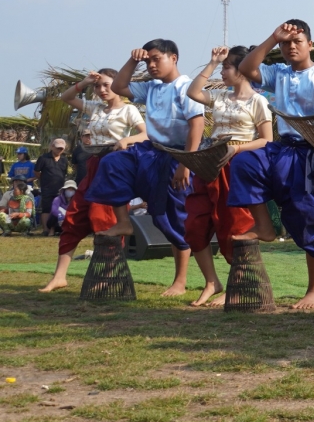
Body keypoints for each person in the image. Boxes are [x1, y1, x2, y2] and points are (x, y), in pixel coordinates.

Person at [229, 20, 314, 310]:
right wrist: (273, 36)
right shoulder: (279, 73)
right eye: (286, 43)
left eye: (297, 41)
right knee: (244, 161)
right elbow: (246, 68)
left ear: (310, 45)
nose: (291, 47)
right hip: (283, 149)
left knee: (312, 217)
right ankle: (265, 227)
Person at [90, 40, 204, 297]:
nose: (151, 65)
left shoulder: (186, 86)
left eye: (156, 59)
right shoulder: (150, 88)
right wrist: (133, 60)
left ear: (173, 58)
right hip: (150, 152)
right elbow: (119, 86)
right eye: (148, 61)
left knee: (173, 218)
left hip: (178, 156)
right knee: (112, 162)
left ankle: (180, 280)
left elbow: (197, 125)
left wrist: (186, 164)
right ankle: (123, 223)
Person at [39, 69, 146, 293]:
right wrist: (85, 82)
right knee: (73, 217)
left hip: (115, 168)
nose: (102, 90)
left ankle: (106, 275)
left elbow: (146, 134)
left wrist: (127, 140)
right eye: (98, 86)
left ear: (117, 84)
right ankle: (59, 277)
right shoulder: (95, 107)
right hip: (93, 166)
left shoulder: (129, 109)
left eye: (107, 85)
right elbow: (66, 97)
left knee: (105, 220)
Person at [183, 46, 273, 307]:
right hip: (210, 161)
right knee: (195, 222)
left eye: (226, 67)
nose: (222, 72)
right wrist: (212, 62)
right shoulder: (221, 96)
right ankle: (212, 282)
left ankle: (237, 283)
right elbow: (193, 92)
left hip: (237, 165)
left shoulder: (257, 100)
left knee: (233, 225)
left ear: (241, 70)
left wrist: (237, 148)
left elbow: (266, 140)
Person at [34, 139, 70, 232]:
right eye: (57, 148)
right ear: (52, 147)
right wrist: (44, 179)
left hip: (60, 188)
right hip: (47, 188)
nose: (59, 150)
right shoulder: (43, 158)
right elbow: (37, 171)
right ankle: (46, 230)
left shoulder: (64, 160)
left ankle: (57, 229)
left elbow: (64, 173)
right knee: (46, 208)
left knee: (59, 208)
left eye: (61, 149)